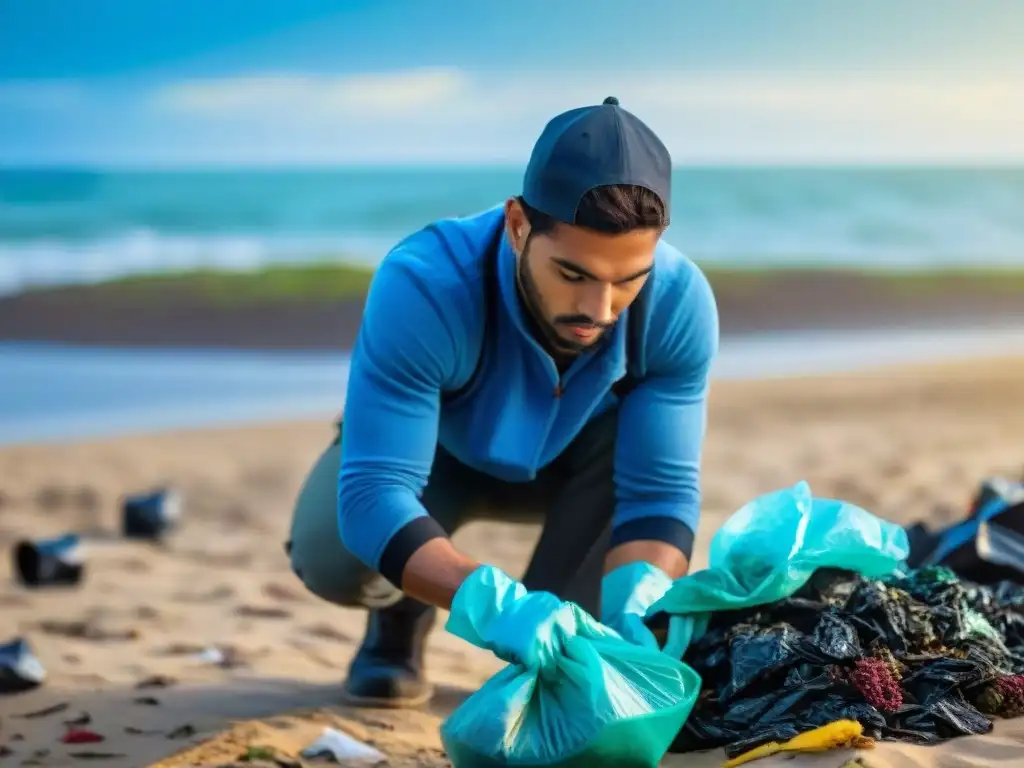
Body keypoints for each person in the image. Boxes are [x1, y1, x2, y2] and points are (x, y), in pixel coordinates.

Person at [286, 96, 720, 708]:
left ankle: (589, 615)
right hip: (439, 456)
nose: (600, 310)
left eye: (628, 280)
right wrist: (492, 605)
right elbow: (373, 493)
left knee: (573, 653)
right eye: (573, 274)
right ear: (519, 226)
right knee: (331, 558)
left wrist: (636, 609)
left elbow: (659, 497)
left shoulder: (679, 303)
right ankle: (399, 621)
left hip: (582, 475)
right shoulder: (424, 283)